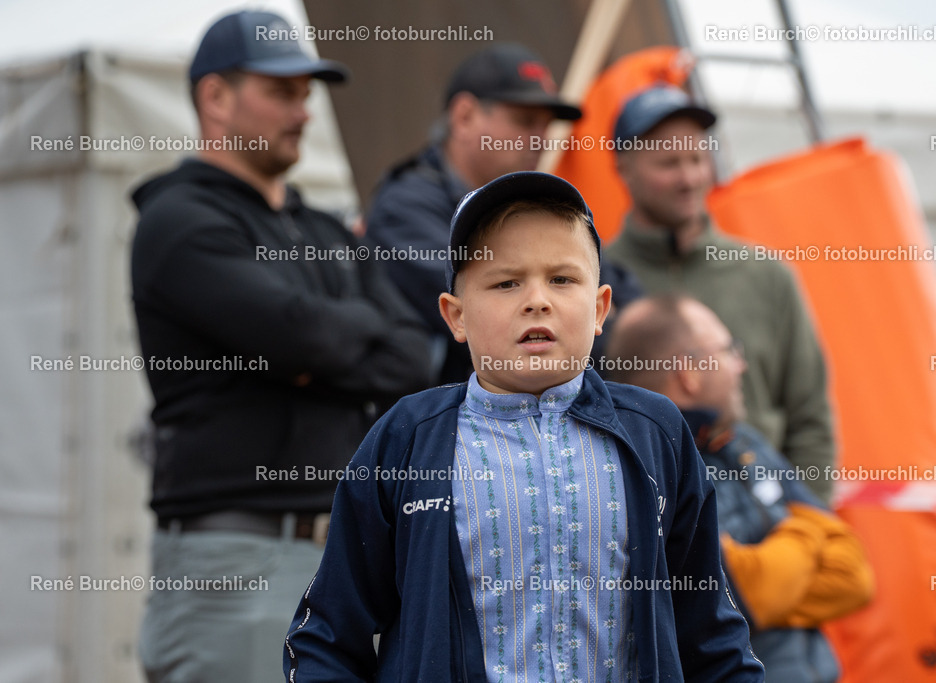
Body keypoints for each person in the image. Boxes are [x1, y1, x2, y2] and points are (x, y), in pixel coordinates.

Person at [283, 172, 765, 682]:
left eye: (562, 279)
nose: (537, 300)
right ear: (456, 316)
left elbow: (713, 637)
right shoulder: (406, 439)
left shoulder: (655, 432)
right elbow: (328, 635)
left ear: (600, 308)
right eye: (506, 282)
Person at [130, 11, 431, 682]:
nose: (303, 111)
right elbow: (302, 333)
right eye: (282, 91)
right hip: (236, 562)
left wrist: (319, 353)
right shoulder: (178, 221)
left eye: (306, 92)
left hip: (347, 558)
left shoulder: (322, 225)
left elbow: (412, 355)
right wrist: (332, 341)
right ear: (215, 97)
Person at [605, 295, 874, 682]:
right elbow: (747, 592)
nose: (741, 364)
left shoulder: (745, 441)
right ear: (689, 373)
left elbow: (855, 575)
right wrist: (808, 533)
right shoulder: (656, 466)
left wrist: (778, 570)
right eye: (729, 350)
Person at [606, 84, 836, 501]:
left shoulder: (765, 275)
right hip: (647, 525)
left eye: (697, 158)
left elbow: (810, 418)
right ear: (624, 167)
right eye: (669, 163)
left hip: (764, 519)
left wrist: (809, 526)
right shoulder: (595, 279)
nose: (690, 178)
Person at [365, 43, 642, 384]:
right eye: (525, 121)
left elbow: (618, 284)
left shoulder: (540, 203)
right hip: (460, 426)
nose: (541, 139)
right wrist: (596, 318)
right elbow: (491, 317)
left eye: (545, 126)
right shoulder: (404, 207)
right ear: (464, 116)